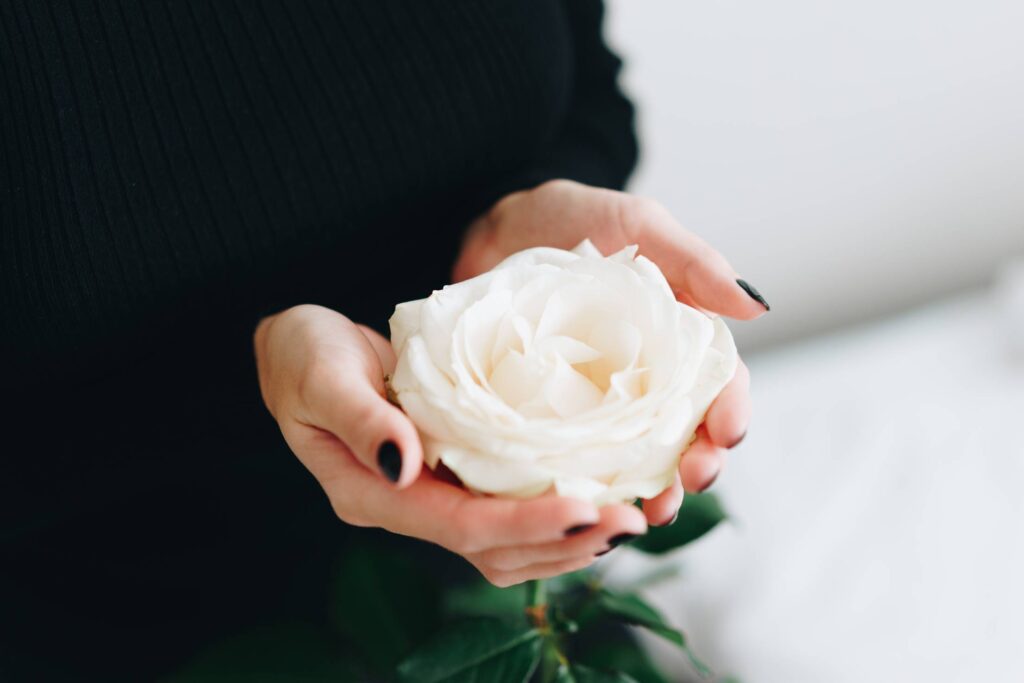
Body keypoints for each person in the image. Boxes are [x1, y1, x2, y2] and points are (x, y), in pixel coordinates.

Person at [1, 0, 766, 678]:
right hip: (98, 627)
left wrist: (521, 211)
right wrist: (257, 375)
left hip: (503, 616)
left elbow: (589, 92)